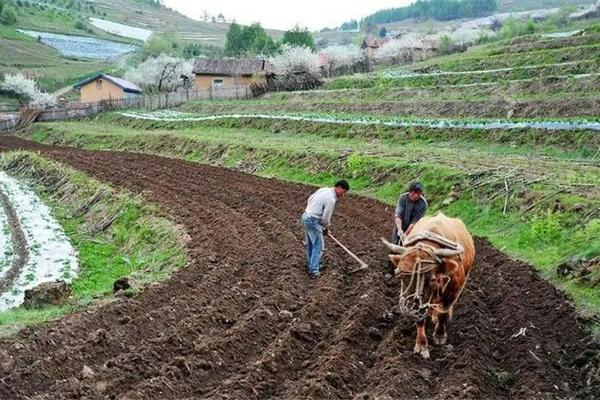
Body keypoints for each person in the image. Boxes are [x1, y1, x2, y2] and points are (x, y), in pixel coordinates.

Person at [301, 180, 350, 278]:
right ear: (339, 187)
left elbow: (310, 198)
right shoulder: (331, 199)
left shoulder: (324, 189)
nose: (343, 195)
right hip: (312, 219)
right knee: (319, 247)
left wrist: (311, 210)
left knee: (312, 243)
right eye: (343, 192)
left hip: (305, 216)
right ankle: (314, 270)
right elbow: (326, 218)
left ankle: (311, 264)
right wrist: (326, 228)